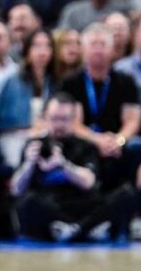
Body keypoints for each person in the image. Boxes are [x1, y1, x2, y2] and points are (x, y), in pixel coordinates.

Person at [12, 93, 136, 242]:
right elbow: (16, 189)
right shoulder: (34, 146)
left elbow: (89, 182)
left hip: (82, 204)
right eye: (54, 119)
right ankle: (84, 230)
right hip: (51, 205)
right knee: (27, 202)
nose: (59, 125)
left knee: (126, 194)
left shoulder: (86, 146)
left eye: (64, 119)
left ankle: (76, 229)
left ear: (73, 120)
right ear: (45, 118)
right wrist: (29, 164)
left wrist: (63, 164)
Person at [60, 24, 141, 192]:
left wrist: (119, 140)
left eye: (103, 44)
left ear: (112, 49)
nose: (98, 50)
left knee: (135, 146)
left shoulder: (126, 81)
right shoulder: (70, 83)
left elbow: (132, 120)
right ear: (83, 49)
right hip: (85, 140)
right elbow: (72, 123)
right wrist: (97, 140)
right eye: (93, 44)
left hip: (117, 141)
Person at [0, 29, 57, 168]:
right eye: (37, 45)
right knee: (25, 160)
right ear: (27, 50)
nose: (42, 51)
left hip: (44, 135)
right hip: (13, 136)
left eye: (47, 46)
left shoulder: (54, 82)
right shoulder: (10, 80)